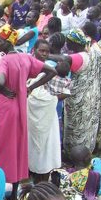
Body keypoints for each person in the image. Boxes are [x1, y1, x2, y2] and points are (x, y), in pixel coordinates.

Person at [0, 25, 56, 191]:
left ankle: (1, 184)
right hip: (20, 107)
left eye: (0, 41)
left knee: (2, 145)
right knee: (18, 145)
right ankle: (15, 186)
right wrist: (31, 87)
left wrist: (2, 88)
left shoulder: (3, 60)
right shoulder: (26, 58)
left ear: (8, 43)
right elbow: (51, 70)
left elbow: (0, 80)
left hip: (6, 107)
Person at [63, 27, 101, 154]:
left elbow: (63, 61)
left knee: (77, 129)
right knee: (88, 127)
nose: (66, 44)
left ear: (74, 42)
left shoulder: (77, 57)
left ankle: (75, 155)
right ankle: (86, 153)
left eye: (68, 41)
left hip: (79, 99)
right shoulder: (94, 54)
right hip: (92, 96)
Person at [27, 40, 62, 178]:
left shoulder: (49, 69)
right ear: (34, 50)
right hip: (30, 113)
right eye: (41, 50)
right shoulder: (28, 65)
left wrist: (34, 91)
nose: (44, 54)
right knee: (30, 142)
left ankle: (43, 170)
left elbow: (59, 92)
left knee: (45, 143)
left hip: (46, 113)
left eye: (47, 52)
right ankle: (29, 168)